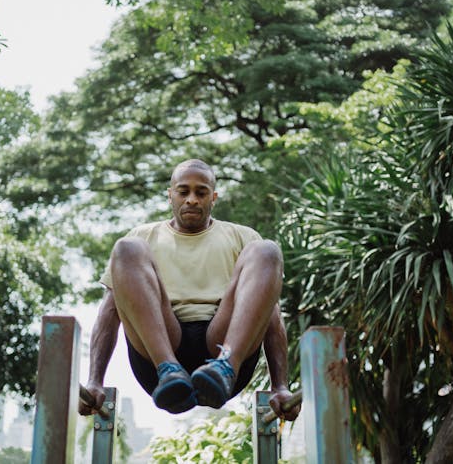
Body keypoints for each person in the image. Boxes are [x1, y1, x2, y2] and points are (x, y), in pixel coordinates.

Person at [79, 159, 299, 420]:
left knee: (266, 250)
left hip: (224, 348)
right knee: (127, 248)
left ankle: (225, 367)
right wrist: (94, 380)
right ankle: (169, 369)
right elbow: (111, 309)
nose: (192, 199)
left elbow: (269, 313)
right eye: (184, 192)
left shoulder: (241, 236)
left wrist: (280, 386)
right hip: (159, 349)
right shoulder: (144, 234)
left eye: (201, 192)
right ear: (170, 195)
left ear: (213, 197)